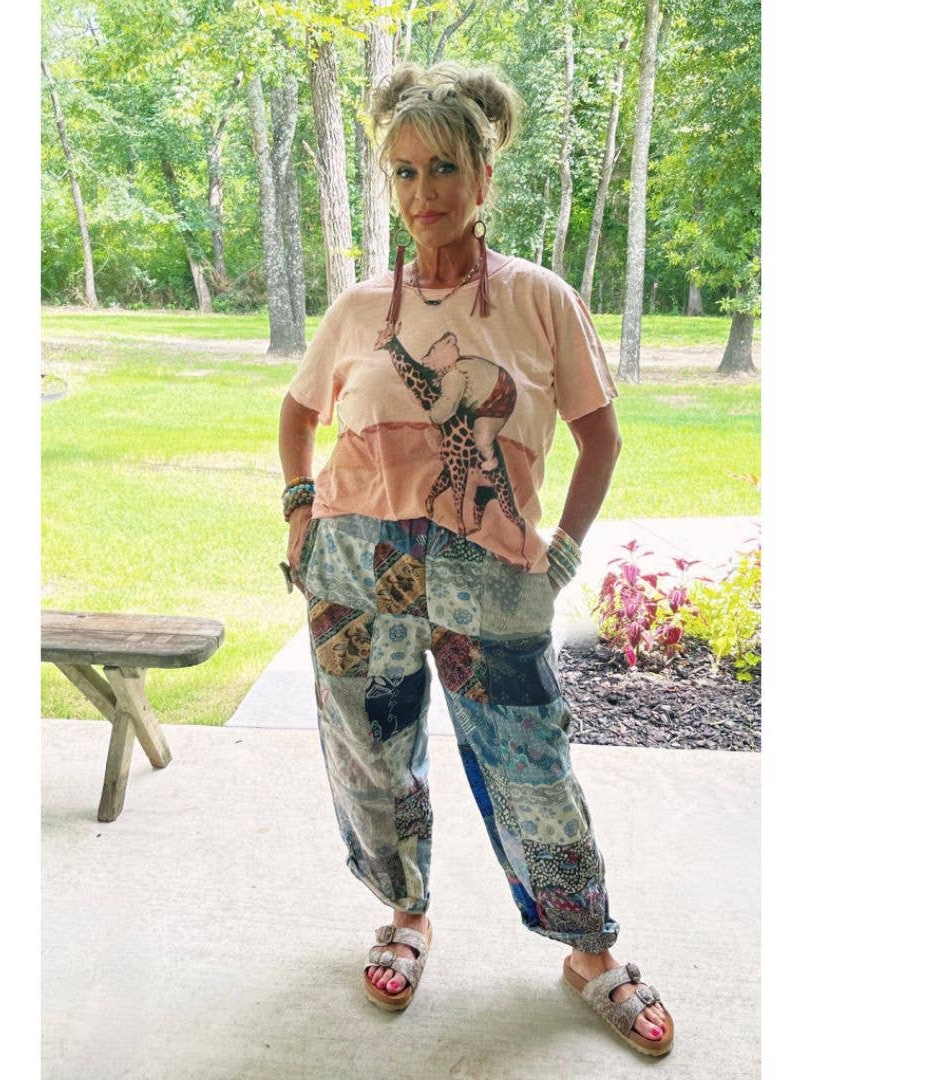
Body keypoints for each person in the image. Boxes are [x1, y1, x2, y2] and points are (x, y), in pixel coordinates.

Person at [277, 60, 674, 1057]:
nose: (424, 194)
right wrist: (297, 512)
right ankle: (405, 914)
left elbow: (600, 436)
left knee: (532, 763)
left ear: (485, 175)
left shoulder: (539, 299)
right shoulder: (359, 307)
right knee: (373, 758)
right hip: (355, 569)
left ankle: (588, 948)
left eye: (444, 168)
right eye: (404, 172)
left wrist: (563, 552)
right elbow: (298, 412)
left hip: (490, 573)